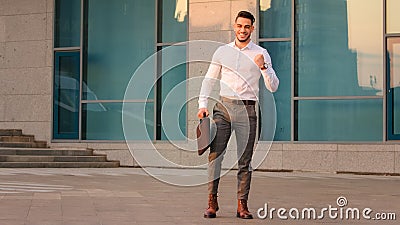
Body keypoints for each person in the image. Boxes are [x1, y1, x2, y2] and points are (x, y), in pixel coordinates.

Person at [197, 11, 279, 219]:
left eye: (247, 27)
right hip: (223, 108)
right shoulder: (222, 52)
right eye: (239, 26)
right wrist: (202, 104)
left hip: (248, 110)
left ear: (252, 28)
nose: (242, 30)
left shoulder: (261, 52)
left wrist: (264, 67)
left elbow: (273, 86)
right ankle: (212, 202)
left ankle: (242, 205)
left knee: (245, 160)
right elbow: (209, 79)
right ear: (234, 27)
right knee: (215, 156)